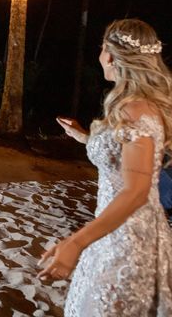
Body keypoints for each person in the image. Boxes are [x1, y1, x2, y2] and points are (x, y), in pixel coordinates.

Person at [41, 19, 172, 315]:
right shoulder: (140, 103)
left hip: (126, 236)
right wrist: (83, 137)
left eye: (102, 48)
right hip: (117, 228)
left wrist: (75, 242)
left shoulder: (133, 109)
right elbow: (124, 158)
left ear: (111, 55)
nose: (100, 55)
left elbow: (136, 190)